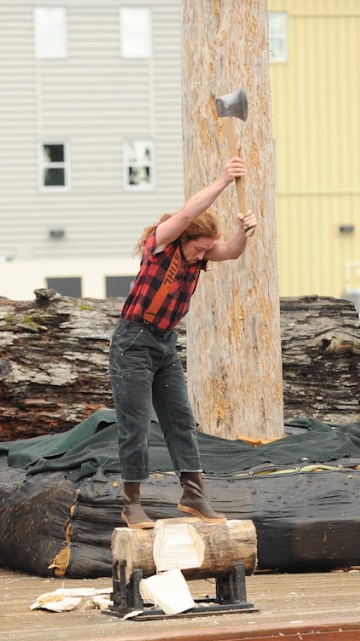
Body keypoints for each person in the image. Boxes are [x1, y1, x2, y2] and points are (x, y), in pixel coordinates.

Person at [110, 157, 258, 529]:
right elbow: (191, 209)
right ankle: (131, 504)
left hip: (164, 344)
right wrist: (224, 180)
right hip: (133, 342)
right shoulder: (160, 244)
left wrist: (244, 231)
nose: (204, 255)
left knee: (181, 420)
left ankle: (193, 494)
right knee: (137, 424)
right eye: (200, 248)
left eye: (208, 250)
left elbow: (233, 250)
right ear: (184, 237)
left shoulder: (199, 259)